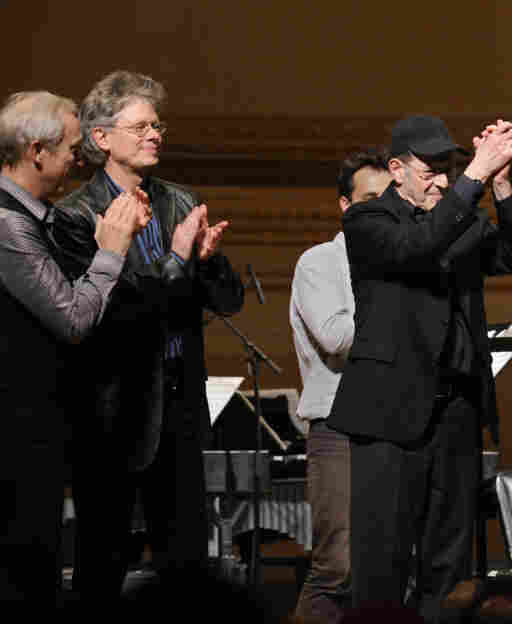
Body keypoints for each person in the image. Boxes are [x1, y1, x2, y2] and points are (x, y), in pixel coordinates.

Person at [328, 115, 512, 620]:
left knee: (449, 563)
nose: (443, 181)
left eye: (449, 170)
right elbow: (417, 248)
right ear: (396, 170)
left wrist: (501, 185)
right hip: (389, 415)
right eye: (430, 171)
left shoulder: (458, 215)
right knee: (383, 562)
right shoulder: (368, 220)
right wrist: (475, 175)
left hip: (456, 413)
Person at [53, 70, 245, 598]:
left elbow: (229, 301)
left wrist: (206, 261)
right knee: (102, 561)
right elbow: (116, 312)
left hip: (180, 402)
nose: (154, 135)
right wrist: (177, 259)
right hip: (114, 409)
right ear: (101, 138)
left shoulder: (180, 202)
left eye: (157, 126)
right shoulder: (74, 216)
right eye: (140, 128)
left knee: (185, 563)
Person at [0, 91, 148, 603]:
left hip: (38, 426)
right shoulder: (8, 223)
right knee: (27, 574)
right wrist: (111, 252)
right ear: (36, 151)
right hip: (17, 432)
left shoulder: (38, 217)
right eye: (70, 148)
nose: (79, 160)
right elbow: (74, 320)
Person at [290, 148, 392, 622]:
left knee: (388, 565)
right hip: (338, 425)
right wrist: (399, 310)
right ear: (345, 206)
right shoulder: (320, 262)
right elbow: (336, 337)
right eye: (370, 200)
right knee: (338, 566)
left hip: (391, 423)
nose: (382, 210)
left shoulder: (401, 260)